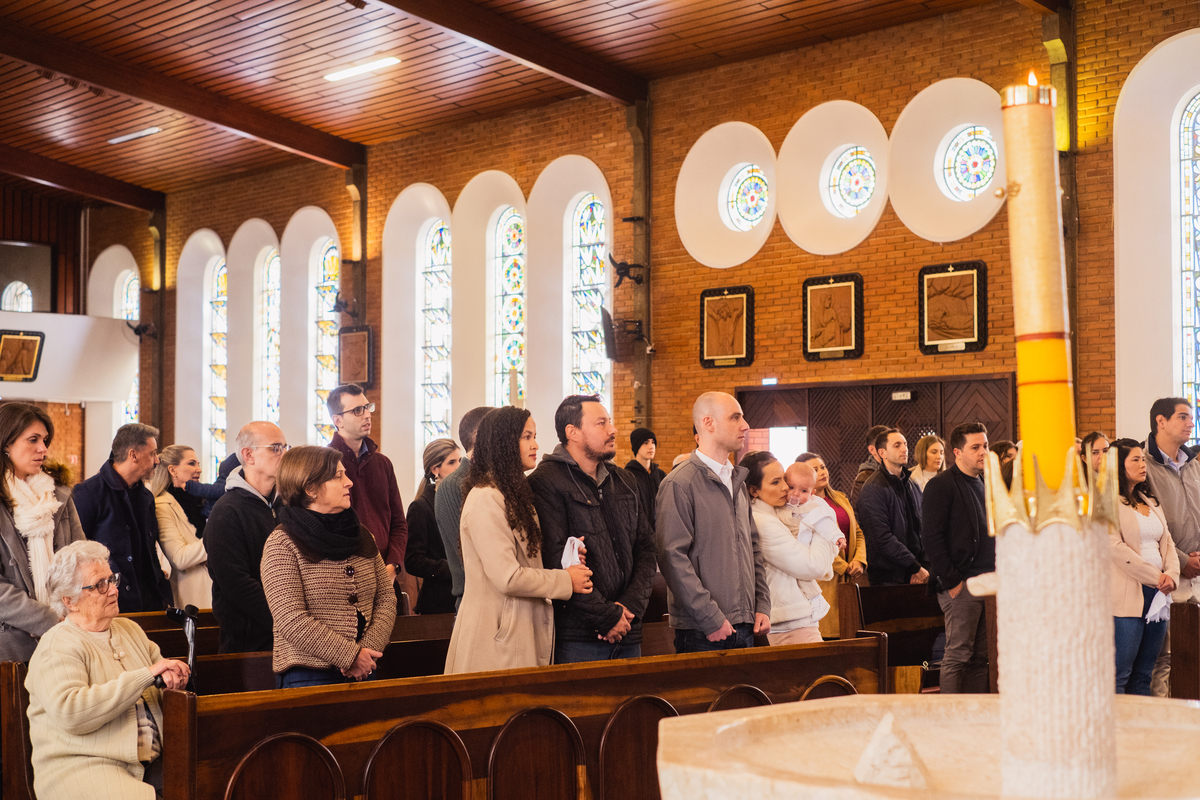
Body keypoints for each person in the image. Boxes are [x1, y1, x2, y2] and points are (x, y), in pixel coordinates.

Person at [26, 540, 190, 800]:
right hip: (84, 766)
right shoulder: (57, 645)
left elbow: (160, 681)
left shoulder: (129, 630)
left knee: (216, 777)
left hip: (153, 760)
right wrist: (146, 675)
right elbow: (72, 712)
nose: (114, 590)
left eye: (111, 579)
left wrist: (173, 680)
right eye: (100, 585)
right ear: (70, 601)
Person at [444, 407, 593, 673]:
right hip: (496, 640)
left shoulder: (511, 493)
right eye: (526, 437)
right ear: (503, 442)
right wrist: (566, 580)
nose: (536, 444)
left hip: (519, 630)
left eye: (534, 436)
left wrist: (565, 561)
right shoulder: (486, 498)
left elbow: (527, 560)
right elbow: (507, 577)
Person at [529, 396, 657, 662]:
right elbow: (555, 562)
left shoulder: (624, 479)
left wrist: (628, 607)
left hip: (628, 630)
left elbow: (645, 547)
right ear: (572, 432)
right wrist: (607, 616)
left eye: (609, 422)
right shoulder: (546, 482)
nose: (613, 430)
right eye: (602, 423)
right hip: (579, 638)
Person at [262, 446, 397, 688]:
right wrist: (349, 656)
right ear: (310, 488)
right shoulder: (282, 542)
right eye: (338, 476)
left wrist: (368, 651)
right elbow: (290, 618)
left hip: (367, 668)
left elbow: (386, 597)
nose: (349, 483)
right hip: (308, 674)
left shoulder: (361, 534)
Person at [656, 392, 771, 653]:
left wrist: (762, 604)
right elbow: (672, 557)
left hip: (746, 621)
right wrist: (711, 618)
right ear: (708, 423)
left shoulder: (736, 482)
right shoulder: (679, 484)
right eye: (735, 417)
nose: (745, 425)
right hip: (702, 629)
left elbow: (753, 549)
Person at [0, 402, 85, 662]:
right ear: (6, 444)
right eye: (33, 440)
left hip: (67, 633)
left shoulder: (58, 496)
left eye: (45, 440)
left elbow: (80, 556)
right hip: (12, 643)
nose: (43, 449)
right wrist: (48, 619)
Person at [921, 422, 994, 693]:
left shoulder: (985, 482)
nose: (983, 452)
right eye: (975, 447)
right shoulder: (942, 485)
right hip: (961, 583)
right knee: (958, 655)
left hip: (987, 582)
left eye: (985, 446)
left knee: (980, 658)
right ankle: (949, 716)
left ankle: (974, 716)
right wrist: (952, 582)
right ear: (957, 452)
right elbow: (931, 538)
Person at [205, 422, 287, 653]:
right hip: (248, 645)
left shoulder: (288, 505)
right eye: (275, 448)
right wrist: (287, 620)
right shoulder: (226, 512)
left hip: (290, 639)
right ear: (248, 455)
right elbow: (237, 584)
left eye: (285, 447)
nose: (284, 454)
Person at [74, 423, 172, 613]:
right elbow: (77, 552)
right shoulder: (88, 493)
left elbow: (149, 552)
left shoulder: (146, 497)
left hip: (150, 602)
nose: (157, 460)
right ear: (133, 455)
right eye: (152, 453)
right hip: (112, 601)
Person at [744, 453, 838, 645]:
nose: (786, 488)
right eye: (776, 482)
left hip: (793, 617)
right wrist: (823, 521)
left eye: (784, 479)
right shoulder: (762, 523)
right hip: (790, 621)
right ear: (754, 490)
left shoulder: (776, 513)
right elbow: (815, 566)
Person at [1110, 438, 1180, 695]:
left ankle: (1139, 731)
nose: (1143, 465)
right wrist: (1156, 577)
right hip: (1130, 592)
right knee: (1121, 673)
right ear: (1119, 464)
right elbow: (1115, 549)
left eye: (1143, 459)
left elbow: (1168, 541)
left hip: (1159, 594)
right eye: (1135, 460)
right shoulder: (1108, 503)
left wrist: (1171, 574)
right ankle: (1116, 732)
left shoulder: (1149, 499)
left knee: (1145, 672)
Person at [1141, 397, 1200, 696]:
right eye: (1183, 417)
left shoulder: (1192, 463)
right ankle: (1159, 723)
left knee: (1194, 653)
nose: (1191, 422)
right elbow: (1149, 524)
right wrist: (1180, 560)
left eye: (1191, 417)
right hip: (1165, 574)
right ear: (1160, 422)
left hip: (1197, 572)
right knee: (1162, 657)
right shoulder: (1141, 463)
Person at [326, 384, 408, 584]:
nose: (367, 415)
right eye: (357, 411)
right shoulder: (324, 464)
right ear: (338, 420)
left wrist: (393, 565)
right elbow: (327, 525)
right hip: (348, 579)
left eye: (367, 407)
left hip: (387, 576)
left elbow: (399, 523)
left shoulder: (383, 463)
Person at [794, 452, 866, 637]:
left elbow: (857, 532)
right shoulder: (803, 506)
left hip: (852, 577)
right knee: (830, 635)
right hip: (826, 577)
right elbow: (810, 542)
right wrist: (843, 566)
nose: (822, 472)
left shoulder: (840, 498)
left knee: (853, 635)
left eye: (823, 467)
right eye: (815, 469)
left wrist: (859, 560)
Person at [435, 405, 492, 610]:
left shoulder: (504, 480)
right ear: (481, 436)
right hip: (476, 601)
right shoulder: (453, 485)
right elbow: (466, 556)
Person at [855, 428, 929, 586]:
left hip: (917, 573)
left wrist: (924, 565)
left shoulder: (912, 484)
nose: (904, 449)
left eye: (905, 444)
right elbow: (881, 538)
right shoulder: (873, 488)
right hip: (889, 577)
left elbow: (924, 527)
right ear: (882, 453)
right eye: (897, 445)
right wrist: (914, 567)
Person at [404, 438, 461, 615]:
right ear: (435, 470)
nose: (459, 467)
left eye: (460, 461)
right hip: (440, 602)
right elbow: (413, 561)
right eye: (452, 462)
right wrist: (454, 569)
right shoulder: (421, 507)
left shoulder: (465, 500)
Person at [150, 445, 211, 608]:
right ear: (172, 469)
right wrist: (217, 540)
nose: (199, 469)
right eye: (192, 463)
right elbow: (179, 558)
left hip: (215, 590)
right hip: (191, 595)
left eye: (198, 463)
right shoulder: (162, 505)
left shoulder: (202, 501)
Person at [624, 427, 667, 529]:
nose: (651, 446)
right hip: (639, 536)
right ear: (636, 446)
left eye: (653, 442)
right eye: (646, 442)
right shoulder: (627, 476)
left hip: (661, 532)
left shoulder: (661, 475)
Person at [184, 451, 241, 520]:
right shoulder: (225, 487)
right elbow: (204, 489)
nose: (199, 470)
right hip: (208, 515)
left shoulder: (222, 485)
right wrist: (187, 484)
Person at [850, 424, 891, 504]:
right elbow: (860, 512)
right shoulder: (864, 478)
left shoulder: (898, 471)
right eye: (884, 444)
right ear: (872, 450)